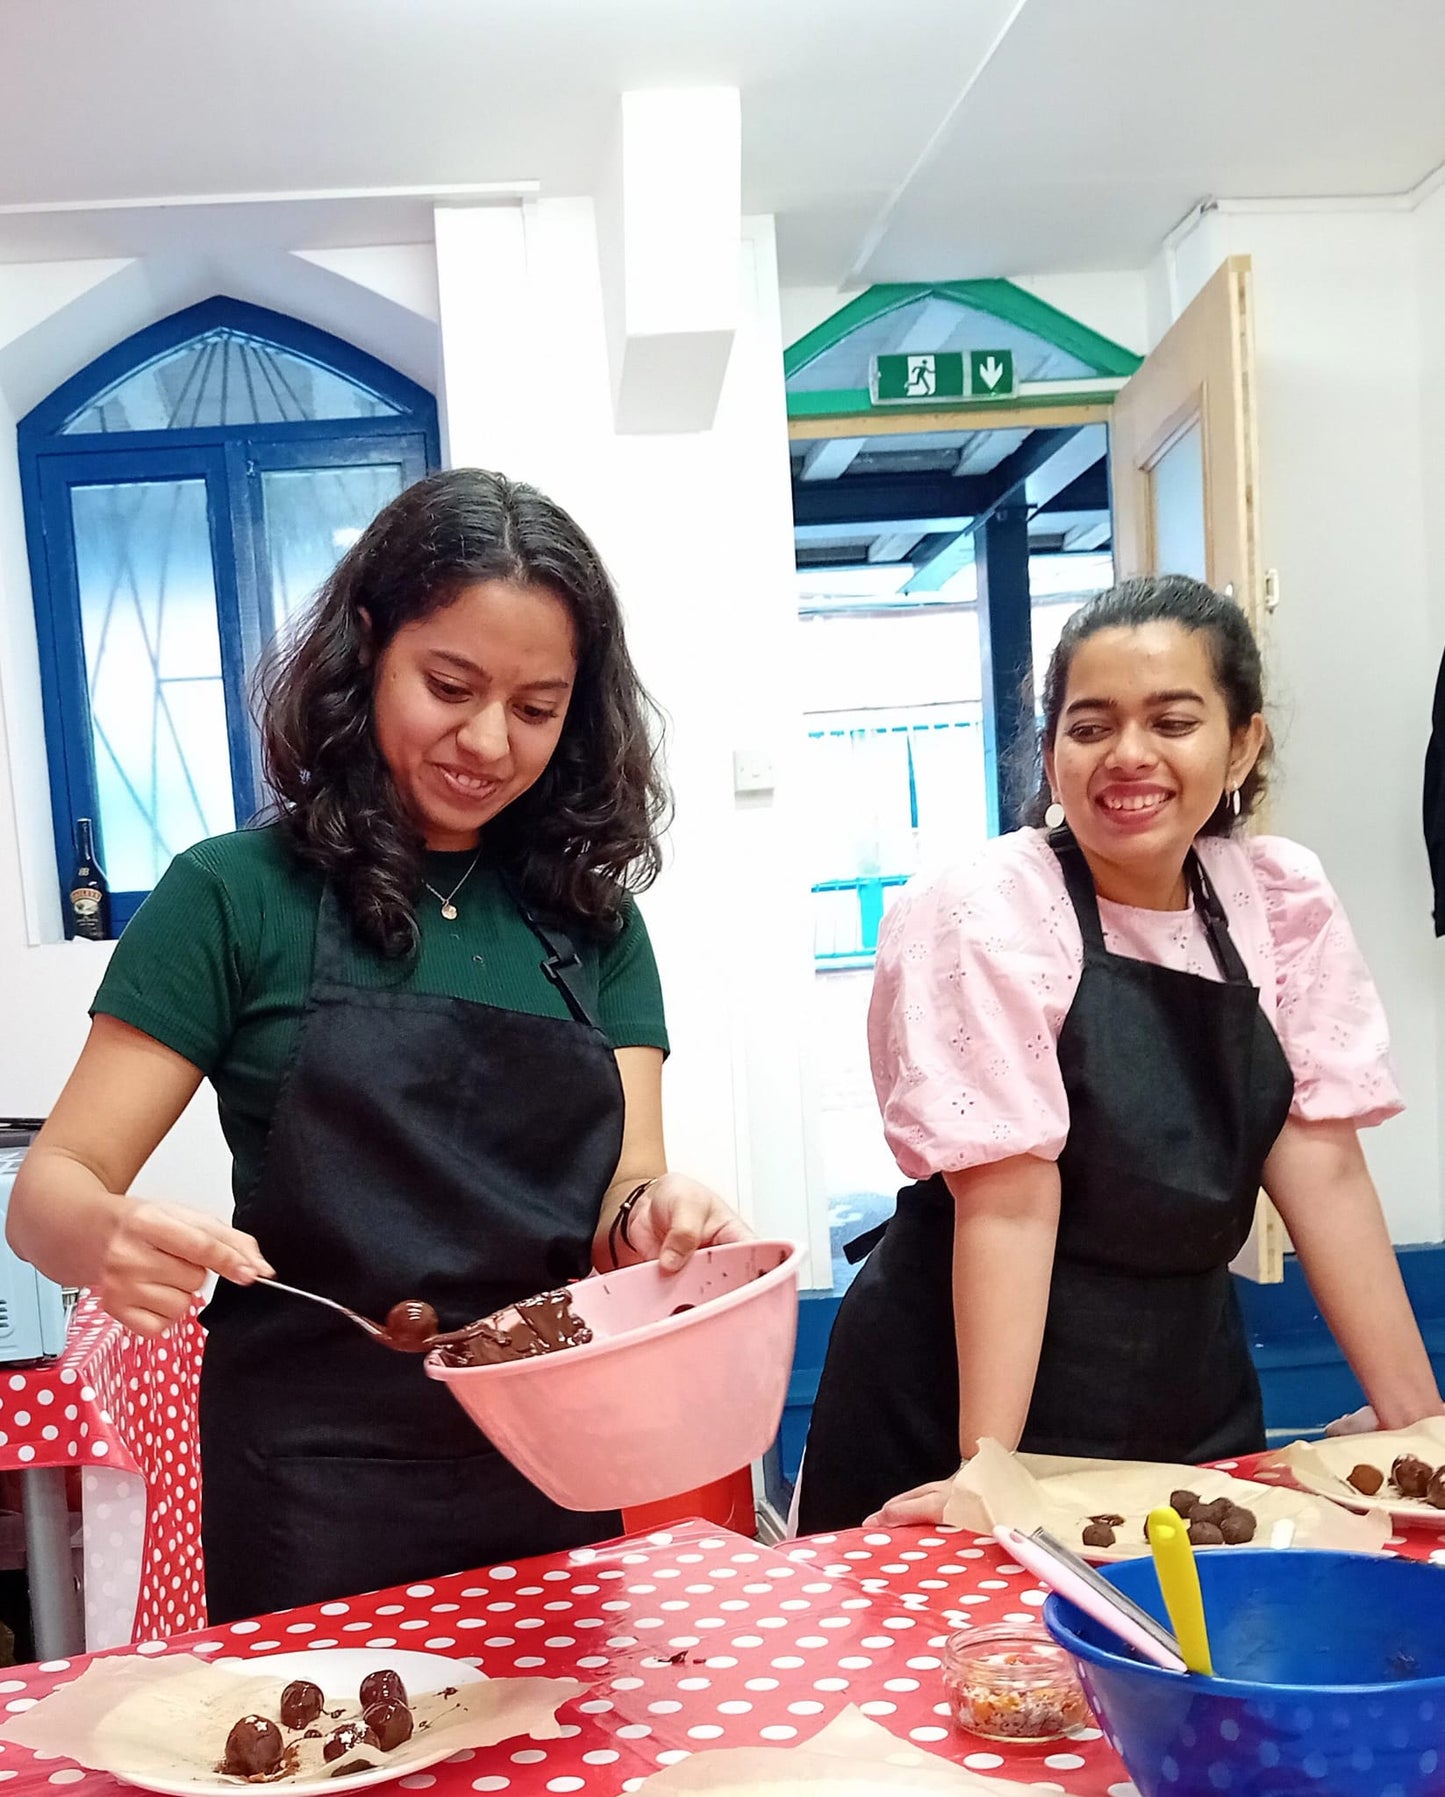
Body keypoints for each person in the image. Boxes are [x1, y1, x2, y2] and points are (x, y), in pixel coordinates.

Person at [8, 468, 748, 1620]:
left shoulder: (591, 922)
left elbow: (623, 1200)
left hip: (550, 1456)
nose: (489, 742)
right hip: (310, 1476)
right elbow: (46, 1193)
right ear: (367, 648)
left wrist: (656, 1215)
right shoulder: (233, 896)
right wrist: (103, 1233)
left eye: (538, 707)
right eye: (447, 686)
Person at [797, 575, 1441, 1533]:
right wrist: (991, 1472)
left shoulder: (1276, 898)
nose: (1127, 755)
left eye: (1172, 721)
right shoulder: (989, 904)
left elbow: (1322, 1168)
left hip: (1184, 1381)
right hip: (963, 1386)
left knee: (1194, 1652)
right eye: (1089, 725)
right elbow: (1009, 1203)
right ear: (1052, 746)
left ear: (1241, 742)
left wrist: (1419, 1424)